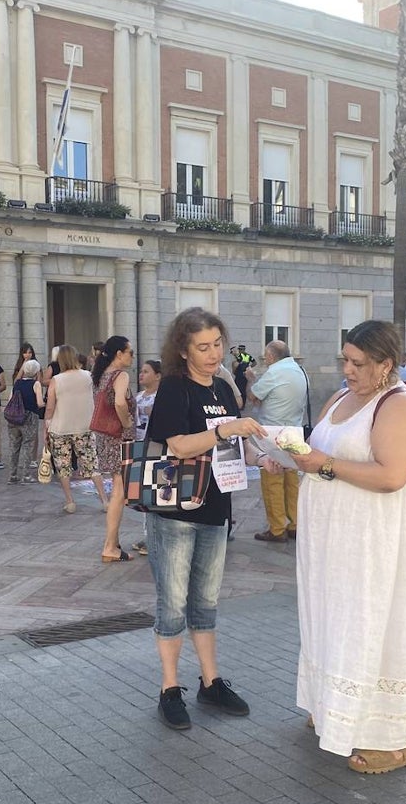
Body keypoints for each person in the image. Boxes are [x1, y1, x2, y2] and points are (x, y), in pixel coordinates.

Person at [286, 320, 406, 774]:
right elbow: (316, 450)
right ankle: (332, 707)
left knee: (372, 623)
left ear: (386, 364)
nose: (347, 369)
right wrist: (281, 455)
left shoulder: (400, 406)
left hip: (373, 538)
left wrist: (322, 464)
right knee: (330, 616)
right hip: (331, 536)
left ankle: (392, 739)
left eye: (358, 363)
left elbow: (391, 476)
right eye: (344, 360)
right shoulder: (341, 398)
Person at [146, 308, 270, 732]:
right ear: (183, 350)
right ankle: (169, 688)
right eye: (203, 346)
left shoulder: (222, 387)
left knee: (206, 602)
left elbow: (232, 446)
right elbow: (178, 446)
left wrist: (263, 458)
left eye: (217, 343)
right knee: (173, 603)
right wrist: (224, 429)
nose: (214, 353)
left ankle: (210, 680)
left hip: (217, 508)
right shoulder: (173, 389)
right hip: (175, 512)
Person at [246, 340, 307, 542]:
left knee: (272, 480)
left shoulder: (274, 372)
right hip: (294, 431)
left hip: (272, 433)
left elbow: (253, 396)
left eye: (266, 355)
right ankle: (295, 524)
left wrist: (251, 379)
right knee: (291, 481)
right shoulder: (300, 370)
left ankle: (277, 528)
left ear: (271, 356)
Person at [90, 335, 138, 562]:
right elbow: (119, 402)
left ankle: (113, 542)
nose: (132, 356)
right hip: (119, 437)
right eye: (130, 352)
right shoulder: (121, 375)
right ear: (119, 353)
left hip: (105, 437)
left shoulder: (101, 375)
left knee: (118, 489)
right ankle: (110, 545)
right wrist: (127, 421)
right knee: (119, 492)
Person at [44, 345, 108, 513]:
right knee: (92, 464)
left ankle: (70, 501)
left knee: (63, 466)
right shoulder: (88, 376)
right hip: (84, 426)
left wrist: (47, 422)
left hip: (61, 427)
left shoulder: (56, 380)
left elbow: (50, 407)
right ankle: (104, 500)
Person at [129, 359, 162, 556]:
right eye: (141, 372)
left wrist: (155, 413)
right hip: (139, 448)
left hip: (157, 450)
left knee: (157, 494)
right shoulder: (138, 397)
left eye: (146, 372)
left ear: (158, 375)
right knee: (144, 495)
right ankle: (148, 535)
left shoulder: (163, 397)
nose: (141, 375)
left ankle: (155, 537)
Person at [6, 358, 44, 485]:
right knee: (27, 445)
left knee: (14, 446)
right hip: (29, 417)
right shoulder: (36, 384)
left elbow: (10, 399)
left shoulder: (17, 383)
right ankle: (26, 475)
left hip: (14, 417)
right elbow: (39, 403)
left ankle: (12, 475)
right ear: (36, 372)